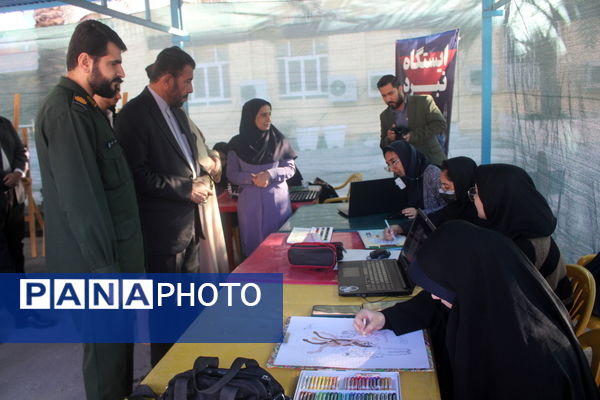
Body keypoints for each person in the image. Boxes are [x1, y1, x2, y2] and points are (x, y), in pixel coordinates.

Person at [354, 221, 600, 400]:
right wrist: (386, 316)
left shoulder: (533, 361)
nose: (435, 296)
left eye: (439, 288)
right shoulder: (489, 294)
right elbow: (433, 305)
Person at [35, 20, 144, 400]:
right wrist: (106, 273)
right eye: (114, 64)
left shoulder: (86, 110)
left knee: (118, 354)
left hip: (110, 264)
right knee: (105, 360)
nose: (121, 73)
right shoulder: (66, 113)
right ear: (85, 61)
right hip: (96, 272)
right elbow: (82, 203)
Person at [115, 47, 212, 365]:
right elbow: (137, 174)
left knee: (191, 310)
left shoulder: (178, 112)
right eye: (187, 81)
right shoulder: (133, 115)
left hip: (189, 227)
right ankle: (168, 376)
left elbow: (188, 160)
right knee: (167, 316)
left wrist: (202, 178)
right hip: (162, 235)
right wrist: (186, 189)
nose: (190, 89)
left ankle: (193, 371)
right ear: (167, 79)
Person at [472, 163, 572, 304]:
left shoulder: (525, 247)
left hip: (547, 318)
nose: (473, 198)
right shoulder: (520, 227)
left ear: (495, 197)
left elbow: (497, 294)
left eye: (476, 192)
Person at [227, 98, 296, 256]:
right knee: (254, 251)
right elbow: (231, 174)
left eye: (270, 114)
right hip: (250, 206)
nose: (269, 119)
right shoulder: (236, 144)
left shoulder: (279, 140)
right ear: (250, 118)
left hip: (278, 205)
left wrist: (270, 174)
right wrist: (251, 179)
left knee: (280, 248)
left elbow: (290, 168)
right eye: (263, 115)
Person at [377, 74, 447, 166]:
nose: (388, 99)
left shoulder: (424, 101)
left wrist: (413, 136)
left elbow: (440, 124)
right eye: (384, 96)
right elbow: (383, 145)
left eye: (391, 93)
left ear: (400, 89)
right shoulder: (384, 116)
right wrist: (389, 139)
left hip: (431, 161)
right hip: (405, 168)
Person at [382, 140, 445, 235]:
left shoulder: (433, 173)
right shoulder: (406, 175)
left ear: (406, 157)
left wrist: (421, 213)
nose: (391, 169)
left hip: (437, 231)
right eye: (388, 164)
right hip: (416, 228)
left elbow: (447, 208)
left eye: (393, 162)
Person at [0, 116, 26, 273]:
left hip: (14, 196)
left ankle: (19, 289)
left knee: (16, 245)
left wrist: (18, 172)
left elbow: (20, 151)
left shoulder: (4, 124)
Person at [426, 156, 484, 227]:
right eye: (441, 184)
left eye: (446, 186)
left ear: (461, 184)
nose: (442, 189)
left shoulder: (479, 214)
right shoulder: (456, 205)